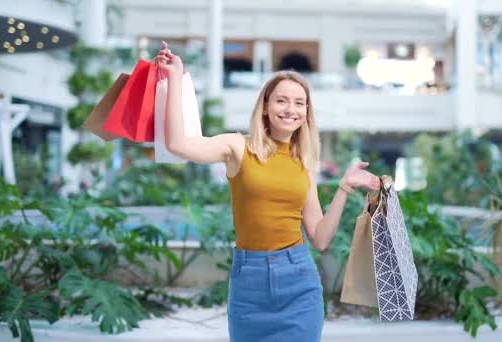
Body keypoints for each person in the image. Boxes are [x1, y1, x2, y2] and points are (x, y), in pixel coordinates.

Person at [154, 45, 380, 342]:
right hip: (250, 283)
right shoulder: (237, 147)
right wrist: (173, 79)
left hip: (299, 280)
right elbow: (178, 144)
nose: (291, 109)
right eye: (282, 100)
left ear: (306, 112)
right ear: (265, 106)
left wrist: (344, 188)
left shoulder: (304, 163)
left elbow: (321, 238)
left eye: (300, 103)